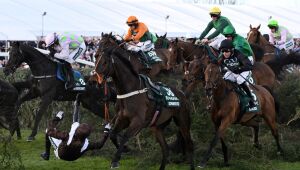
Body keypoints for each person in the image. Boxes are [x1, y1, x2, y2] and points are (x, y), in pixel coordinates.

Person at [40, 111, 111, 161]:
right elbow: (100, 145)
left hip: (61, 154)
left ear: (76, 131)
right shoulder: (87, 144)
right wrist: (106, 130)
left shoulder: (67, 137)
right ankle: (47, 154)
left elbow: (50, 131)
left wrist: (57, 118)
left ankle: (47, 154)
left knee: (47, 131)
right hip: (74, 157)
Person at [218, 39, 255, 107]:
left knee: (239, 80)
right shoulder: (222, 57)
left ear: (232, 50)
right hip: (233, 72)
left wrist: (239, 69)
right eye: (222, 51)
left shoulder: (239, 54)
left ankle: (250, 98)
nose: (224, 53)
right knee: (224, 79)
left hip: (244, 71)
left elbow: (250, 66)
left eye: (226, 51)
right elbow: (218, 65)